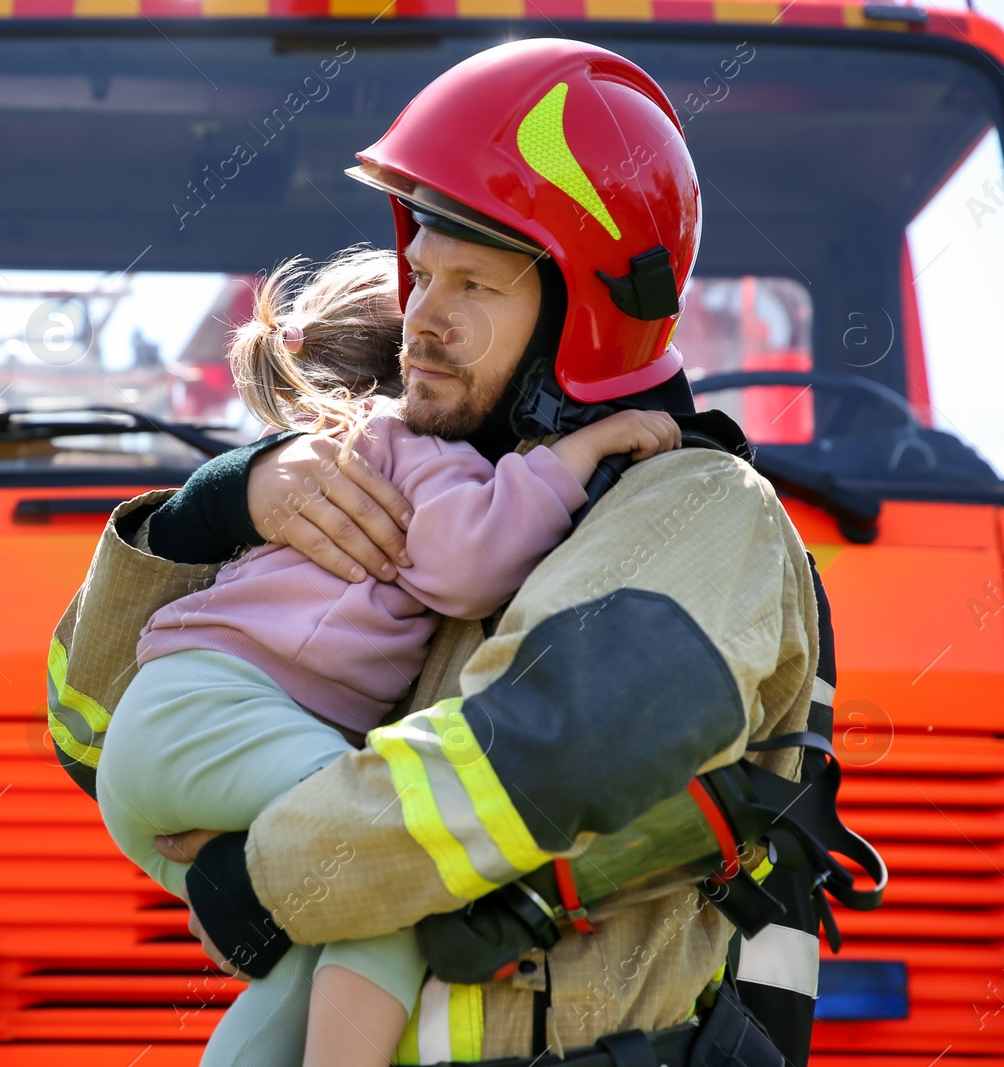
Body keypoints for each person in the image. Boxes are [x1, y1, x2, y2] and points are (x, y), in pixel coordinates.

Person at [50, 38, 820, 1065]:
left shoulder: (696, 508)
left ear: (586, 308)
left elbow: (543, 749)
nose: (423, 319)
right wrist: (212, 514)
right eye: (418, 275)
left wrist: (273, 869)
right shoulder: (438, 481)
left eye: (475, 286)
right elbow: (95, 738)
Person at [94, 249, 680, 1067]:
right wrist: (576, 457)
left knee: (314, 953)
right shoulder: (414, 443)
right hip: (216, 712)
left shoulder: (329, 452)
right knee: (394, 875)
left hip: (168, 741)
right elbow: (467, 566)